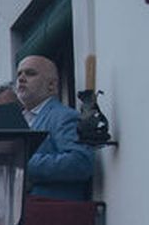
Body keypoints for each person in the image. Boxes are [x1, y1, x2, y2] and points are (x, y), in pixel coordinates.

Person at [14, 55, 94, 201]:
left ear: (51, 85)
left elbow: (80, 162)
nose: (21, 78)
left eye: (30, 73)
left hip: (56, 215)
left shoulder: (64, 116)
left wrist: (21, 164)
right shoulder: (17, 121)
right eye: (19, 74)